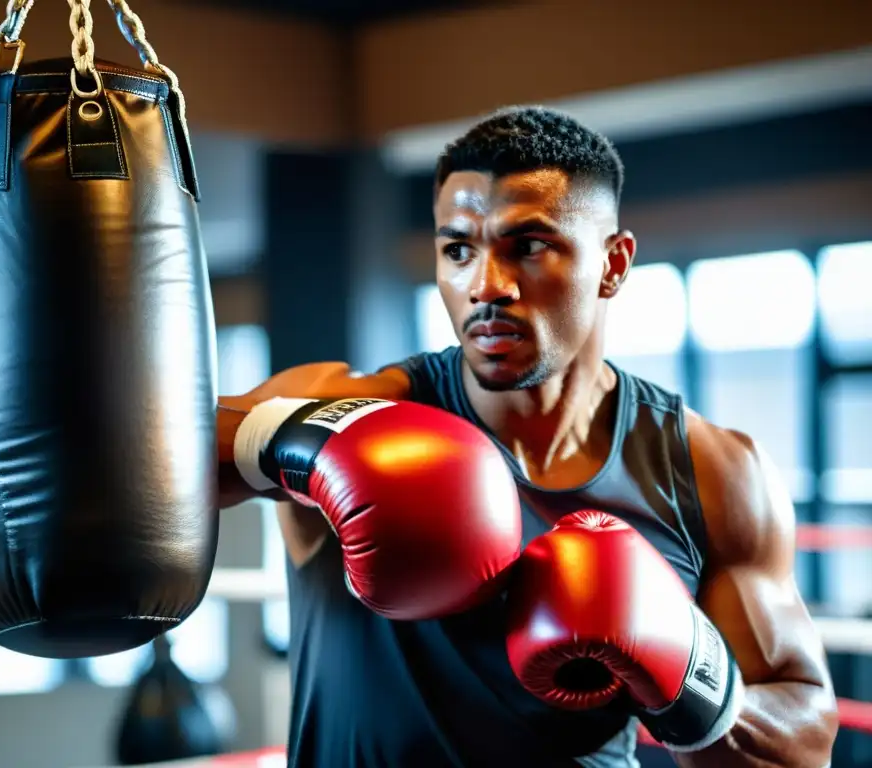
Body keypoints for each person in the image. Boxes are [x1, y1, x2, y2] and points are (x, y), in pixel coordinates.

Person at [216, 107, 838, 767]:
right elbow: (143, 467)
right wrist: (295, 443)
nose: (485, 285)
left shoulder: (710, 471)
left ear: (613, 265)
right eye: (458, 249)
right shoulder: (360, 409)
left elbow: (802, 744)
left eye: (528, 246)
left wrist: (689, 667)